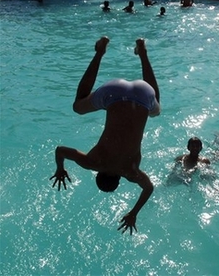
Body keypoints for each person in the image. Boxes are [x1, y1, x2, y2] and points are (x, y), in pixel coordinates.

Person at [49, 37, 161, 236]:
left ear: (119, 179)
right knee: (78, 106)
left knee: (156, 108)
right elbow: (60, 150)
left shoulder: (131, 171)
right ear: (98, 174)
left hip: (144, 94)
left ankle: (143, 53)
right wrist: (60, 169)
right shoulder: (92, 162)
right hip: (113, 90)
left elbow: (148, 189)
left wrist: (133, 213)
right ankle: (100, 51)